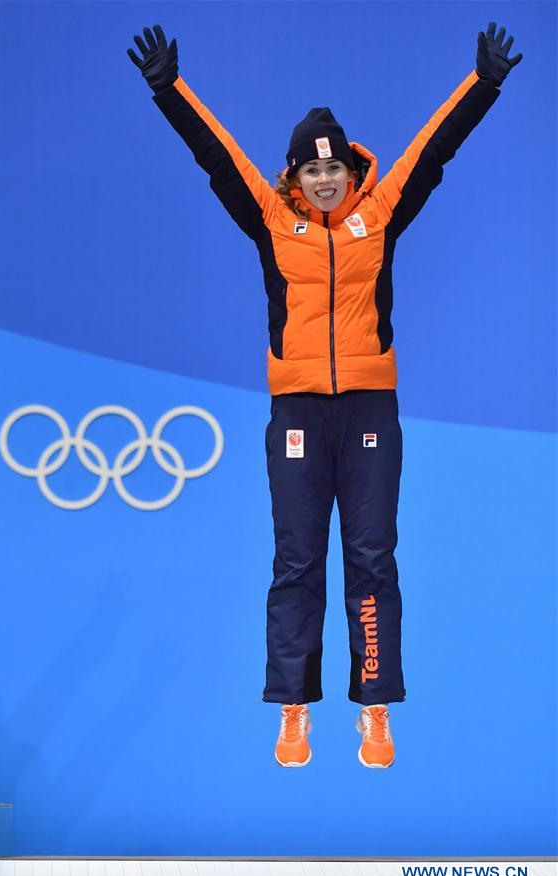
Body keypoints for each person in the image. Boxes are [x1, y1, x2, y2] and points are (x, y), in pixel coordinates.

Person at [128, 21, 522, 769]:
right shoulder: (273, 224)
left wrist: (485, 83)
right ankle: (294, 712)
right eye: (312, 171)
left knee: (373, 557)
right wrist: (168, 89)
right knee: (297, 560)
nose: (325, 179)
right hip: (298, 413)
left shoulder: (380, 217)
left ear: (350, 169)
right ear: (294, 178)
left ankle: (374, 708)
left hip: (371, 410)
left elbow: (433, 150)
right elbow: (218, 157)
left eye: (336, 167)